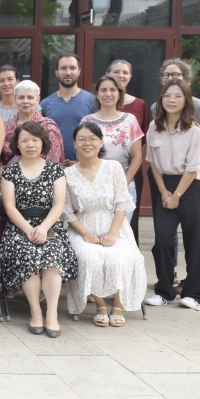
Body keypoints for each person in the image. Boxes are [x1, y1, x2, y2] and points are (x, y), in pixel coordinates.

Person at [64, 123, 147, 326]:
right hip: (82, 226)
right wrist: (85, 233)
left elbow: (121, 202)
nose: (87, 143)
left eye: (92, 138)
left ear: (101, 142)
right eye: (81, 139)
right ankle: (100, 304)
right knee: (89, 258)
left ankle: (117, 304)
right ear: (74, 143)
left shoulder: (113, 167)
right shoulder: (67, 174)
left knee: (117, 258)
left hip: (114, 225)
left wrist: (112, 233)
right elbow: (66, 211)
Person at [147, 59, 200, 290]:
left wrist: (176, 194)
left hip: (191, 187)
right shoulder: (154, 127)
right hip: (164, 185)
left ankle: (194, 293)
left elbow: (193, 167)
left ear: (186, 100)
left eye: (177, 96)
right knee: (163, 241)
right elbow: (153, 164)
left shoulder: (194, 130)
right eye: (167, 96)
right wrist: (164, 192)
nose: (171, 100)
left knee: (195, 243)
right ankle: (165, 289)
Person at [0, 122, 77, 338]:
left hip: (49, 224)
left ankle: (51, 314)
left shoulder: (55, 170)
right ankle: (35, 312)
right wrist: (29, 230)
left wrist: (43, 228)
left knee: (52, 253)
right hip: (19, 226)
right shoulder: (10, 172)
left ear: (42, 142)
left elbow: (58, 204)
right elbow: (9, 207)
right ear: (17, 144)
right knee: (27, 252)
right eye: (24, 140)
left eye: (34, 140)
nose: (30, 144)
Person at [80, 76, 144, 222]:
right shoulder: (87, 121)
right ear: (97, 94)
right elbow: (81, 155)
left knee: (119, 234)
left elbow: (137, 156)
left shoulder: (130, 120)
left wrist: (123, 183)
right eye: (103, 90)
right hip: (94, 187)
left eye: (112, 90)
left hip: (124, 187)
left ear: (119, 94)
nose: (108, 94)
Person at [107, 59, 149, 244]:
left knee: (130, 219)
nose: (121, 75)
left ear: (130, 76)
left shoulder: (139, 105)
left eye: (125, 72)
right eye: (117, 72)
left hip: (131, 173)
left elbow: (144, 140)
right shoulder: (103, 102)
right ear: (108, 74)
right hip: (104, 172)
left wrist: (129, 171)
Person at [148, 59, 200, 147]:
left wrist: (185, 145)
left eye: (175, 74)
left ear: (185, 79)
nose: (170, 78)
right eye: (166, 75)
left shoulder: (197, 106)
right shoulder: (156, 107)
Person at [39, 53, 96, 163]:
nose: (68, 72)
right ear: (56, 72)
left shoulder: (92, 101)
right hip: (53, 167)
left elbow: (98, 136)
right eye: (63, 68)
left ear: (79, 71)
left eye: (72, 68)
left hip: (84, 166)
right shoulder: (45, 104)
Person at [0, 81, 65, 168]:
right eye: (21, 97)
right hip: (7, 178)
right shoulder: (4, 126)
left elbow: (53, 158)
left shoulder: (48, 126)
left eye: (30, 97)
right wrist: (3, 174)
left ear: (37, 100)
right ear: (15, 100)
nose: (25, 101)